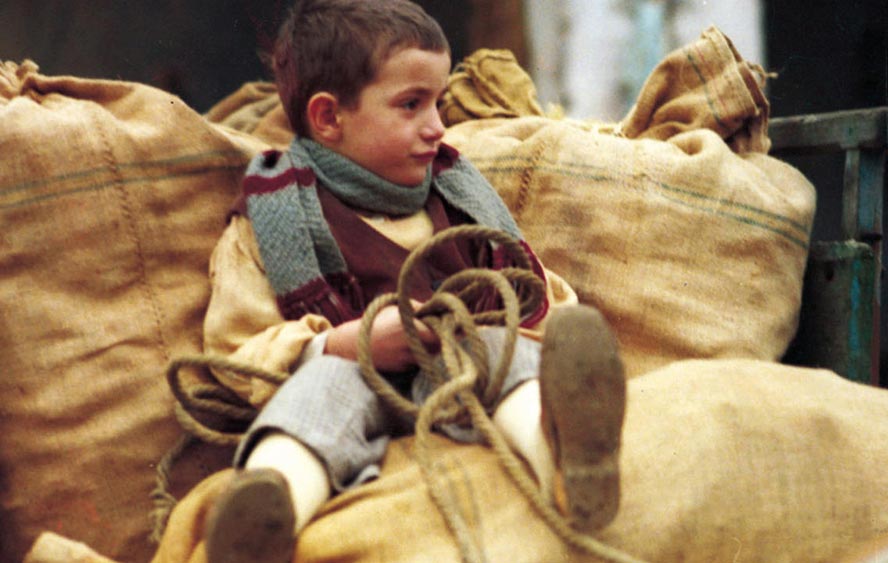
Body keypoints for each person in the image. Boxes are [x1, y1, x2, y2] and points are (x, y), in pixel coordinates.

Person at [200, 1, 626, 561]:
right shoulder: (273, 218)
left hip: (461, 370)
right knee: (320, 390)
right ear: (329, 118)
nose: (437, 127)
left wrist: (521, 316)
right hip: (354, 380)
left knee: (500, 351)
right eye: (411, 105)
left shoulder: (458, 192)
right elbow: (235, 348)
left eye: (439, 103)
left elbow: (532, 286)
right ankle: (267, 509)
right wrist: (342, 345)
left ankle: (571, 468)